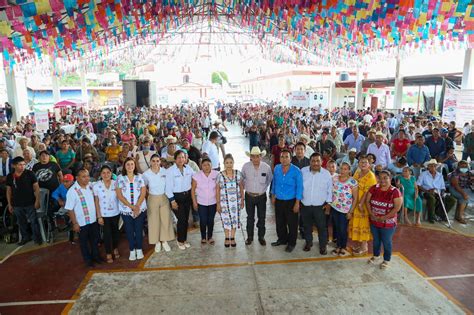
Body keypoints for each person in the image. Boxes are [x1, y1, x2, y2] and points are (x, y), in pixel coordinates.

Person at [65, 168, 102, 267]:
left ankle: (96, 256)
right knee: (84, 243)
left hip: (93, 220)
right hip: (81, 222)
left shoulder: (90, 186)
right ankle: (88, 260)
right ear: (77, 178)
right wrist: (75, 223)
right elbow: (70, 209)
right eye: (83, 177)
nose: (87, 179)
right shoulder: (72, 191)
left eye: (88, 176)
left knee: (94, 240)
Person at [366, 171, 403, 269]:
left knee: (386, 241)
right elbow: (367, 201)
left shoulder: (395, 192)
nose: (382, 180)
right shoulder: (373, 188)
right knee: (376, 240)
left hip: (388, 223)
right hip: (374, 220)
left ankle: (386, 260)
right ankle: (376, 256)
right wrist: (371, 213)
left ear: (390, 178)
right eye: (380, 178)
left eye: (385, 178)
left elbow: (397, 208)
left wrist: (384, 218)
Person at [271, 149, 303, 253]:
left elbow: (299, 187)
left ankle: (291, 243)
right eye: (282, 157)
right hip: (279, 200)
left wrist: (297, 203)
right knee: (280, 222)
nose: (284, 159)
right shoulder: (276, 168)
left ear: (290, 158)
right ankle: (282, 239)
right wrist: (273, 194)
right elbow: (274, 182)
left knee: (292, 223)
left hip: (291, 201)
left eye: (286, 157)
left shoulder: (296, 171)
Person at [300, 152, 332, 254]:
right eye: (313, 161)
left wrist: (328, 205)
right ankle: (308, 243)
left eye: (318, 161)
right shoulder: (303, 171)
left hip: (320, 206)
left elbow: (330, 190)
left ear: (321, 162)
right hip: (305, 205)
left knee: (321, 227)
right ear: (310, 162)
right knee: (307, 226)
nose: (315, 163)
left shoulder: (326, 174)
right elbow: (300, 187)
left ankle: (323, 246)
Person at [116, 157, 147, 261]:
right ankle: (132, 250)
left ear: (135, 166)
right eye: (128, 164)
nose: (130, 166)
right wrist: (131, 207)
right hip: (126, 209)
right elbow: (119, 195)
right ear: (125, 166)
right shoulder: (120, 178)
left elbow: (143, 192)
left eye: (132, 164)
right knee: (129, 230)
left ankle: (139, 249)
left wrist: (137, 206)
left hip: (140, 208)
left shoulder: (139, 177)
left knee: (138, 230)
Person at [6, 156, 41, 246]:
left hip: (30, 202)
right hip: (17, 204)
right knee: (21, 222)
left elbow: (36, 188)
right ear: (14, 166)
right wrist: (9, 204)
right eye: (20, 165)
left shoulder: (30, 173)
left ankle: (37, 238)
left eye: (24, 164)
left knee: (34, 221)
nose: (22, 166)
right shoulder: (10, 176)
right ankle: (25, 237)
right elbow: (9, 191)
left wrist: (37, 201)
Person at [241, 147, 272, 246]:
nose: (255, 159)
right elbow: (242, 180)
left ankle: (261, 237)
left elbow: (269, 180)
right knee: (250, 217)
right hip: (249, 196)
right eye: (253, 157)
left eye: (257, 156)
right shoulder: (245, 167)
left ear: (260, 157)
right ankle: (250, 237)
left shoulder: (266, 167)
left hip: (261, 196)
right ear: (250, 157)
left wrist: (262, 189)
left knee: (262, 217)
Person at [143, 154, 174, 252]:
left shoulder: (165, 172)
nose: (155, 163)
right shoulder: (146, 174)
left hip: (164, 197)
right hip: (152, 198)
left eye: (157, 161)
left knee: (165, 219)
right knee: (153, 220)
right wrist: (149, 195)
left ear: (160, 162)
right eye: (153, 161)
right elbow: (144, 187)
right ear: (150, 162)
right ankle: (156, 242)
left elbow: (169, 185)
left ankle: (164, 240)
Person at [166, 150, 195, 250]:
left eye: (183, 157)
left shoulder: (189, 169)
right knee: (181, 219)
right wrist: (172, 201)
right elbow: (168, 188)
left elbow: (196, 177)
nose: (181, 159)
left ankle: (184, 239)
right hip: (176, 198)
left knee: (186, 219)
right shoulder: (170, 171)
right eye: (179, 157)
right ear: (175, 159)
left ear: (185, 158)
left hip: (187, 197)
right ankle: (180, 240)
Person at [349, 156, 377, 256]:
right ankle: (359, 245)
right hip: (355, 201)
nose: (363, 164)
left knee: (363, 224)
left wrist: (361, 203)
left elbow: (368, 192)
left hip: (364, 204)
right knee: (357, 223)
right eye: (361, 162)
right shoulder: (357, 172)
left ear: (369, 164)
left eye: (365, 162)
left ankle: (364, 247)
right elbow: (352, 183)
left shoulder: (371, 176)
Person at [93, 165, 120, 263]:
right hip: (104, 214)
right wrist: (99, 216)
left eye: (108, 172)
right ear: (100, 174)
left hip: (116, 212)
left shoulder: (116, 183)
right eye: (103, 173)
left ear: (111, 173)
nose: (106, 175)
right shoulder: (96, 186)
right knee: (107, 234)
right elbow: (96, 201)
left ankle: (115, 248)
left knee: (116, 232)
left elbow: (120, 197)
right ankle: (108, 252)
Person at [216, 154, 244, 248]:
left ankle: (232, 237)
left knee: (234, 220)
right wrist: (218, 204)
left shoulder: (238, 173)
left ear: (233, 163)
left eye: (231, 162)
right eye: (227, 162)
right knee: (226, 220)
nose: (229, 164)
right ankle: (226, 237)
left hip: (236, 203)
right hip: (224, 203)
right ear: (224, 163)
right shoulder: (219, 175)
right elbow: (217, 190)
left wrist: (242, 200)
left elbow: (241, 187)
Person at [330, 162, 358, 257]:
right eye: (341, 168)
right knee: (337, 228)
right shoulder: (335, 178)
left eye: (345, 169)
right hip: (334, 208)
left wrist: (351, 211)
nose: (343, 170)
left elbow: (355, 198)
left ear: (349, 170)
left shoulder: (352, 182)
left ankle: (343, 246)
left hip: (345, 210)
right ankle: (338, 245)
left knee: (342, 229)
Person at [417, 159, 456, 223]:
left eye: (434, 166)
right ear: (428, 167)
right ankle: (431, 217)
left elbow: (443, 187)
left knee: (452, 200)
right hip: (427, 192)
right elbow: (418, 185)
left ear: (436, 167)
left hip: (438, 192)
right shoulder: (423, 174)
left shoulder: (440, 175)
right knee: (432, 198)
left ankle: (440, 215)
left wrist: (442, 192)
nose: (433, 167)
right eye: (431, 166)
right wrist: (427, 191)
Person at [192, 158, 219, 244]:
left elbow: (219, 189)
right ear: (201, 166)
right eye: (204, 165)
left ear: (211, 165)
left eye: (208, 164)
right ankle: (203, 237)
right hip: (201, 202)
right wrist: (194, 202)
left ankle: (210, 236)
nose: (206, 167)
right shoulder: (196, 176)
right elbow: (192, 190)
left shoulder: (217, 174)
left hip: (213, 202)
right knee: (203, 220)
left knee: (211, 220)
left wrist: (219, 202)